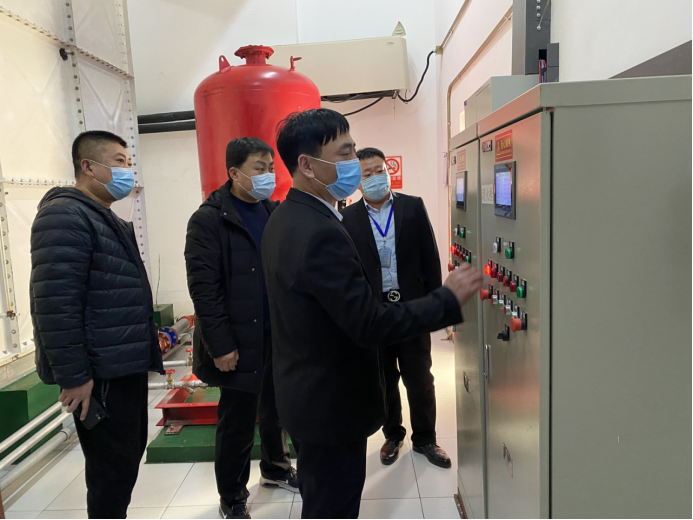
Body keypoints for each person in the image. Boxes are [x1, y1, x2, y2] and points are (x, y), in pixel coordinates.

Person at [262, 109, 483, 519]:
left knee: (323, 500)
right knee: (333, 506)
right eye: (344, 153)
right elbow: (368, 323)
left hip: (305, 396)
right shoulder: (321, 231)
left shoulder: (285, 217)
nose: (354, 163)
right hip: (329, 404)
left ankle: (423, 435)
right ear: (307, 165)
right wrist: (446, 300)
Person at [30, 131, 164, 520]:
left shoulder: (102, 217)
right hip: (100, 373)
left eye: (129, 163)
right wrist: (75, 377)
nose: (127, 171)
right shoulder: (64, 216)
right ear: (88, 166)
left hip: (121, 365)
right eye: (119, 162)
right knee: (110, 473)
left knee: (124, 462)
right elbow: (55, 304)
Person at [185, 137, 298, 520]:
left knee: (276, 409)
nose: (268, 175)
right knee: (237, 420)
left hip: (274, 334)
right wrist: (220, 345)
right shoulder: (209, 219)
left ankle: (276, 468)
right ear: (234, 173)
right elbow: (204, 289)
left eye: (271, 168)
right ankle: (232, 495)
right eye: (259, 168)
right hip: (236, 339)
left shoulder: (272, 210)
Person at [340, 147, 451, 468]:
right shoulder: (347, 218)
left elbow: (430, 257)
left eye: (380, 170)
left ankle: (426, 438)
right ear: (357, 181)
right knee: (384, 379)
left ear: (388, 171)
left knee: (420, 377)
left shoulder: (412, 207)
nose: (375, 177)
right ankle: (393, 434)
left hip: (412, 309)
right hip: (374, 314)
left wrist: (436, 306)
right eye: (367, 174)